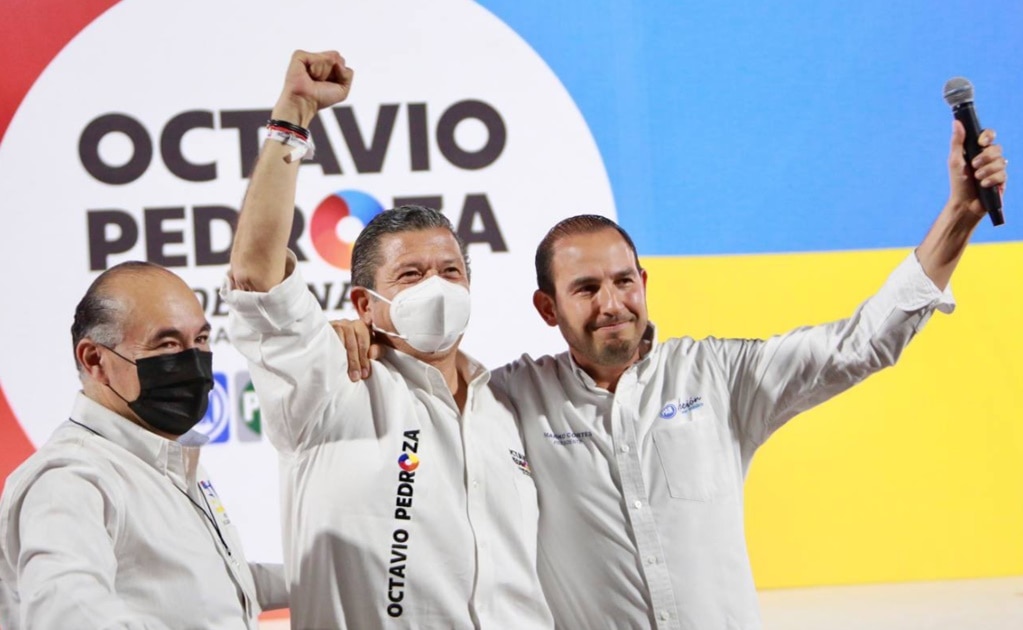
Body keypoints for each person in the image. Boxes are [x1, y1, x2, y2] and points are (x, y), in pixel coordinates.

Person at [339, 120, 1008, 628]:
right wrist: (363, 331)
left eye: (623, 281)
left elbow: (860, 344)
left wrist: (958, 216)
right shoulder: (511, 397)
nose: (612, 303)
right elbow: (429, 375)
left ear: (643, 283)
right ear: (546, 308)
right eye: (585, 288)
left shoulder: (719, 376)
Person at [222, 50, 553, 629]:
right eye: (411, 275)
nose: (437, 287)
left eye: (450, 271)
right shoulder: (330, 382)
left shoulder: (508, 403)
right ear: (363, 303)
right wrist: (294, 113)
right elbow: (256, 273)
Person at [0, 262, 288, 630]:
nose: (193, 362)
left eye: (201, 339)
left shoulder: (164, 458)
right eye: (167, 344)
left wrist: (341, 573)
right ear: (95, 360)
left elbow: (208, 586)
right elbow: (66, 616)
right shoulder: (70, 480)